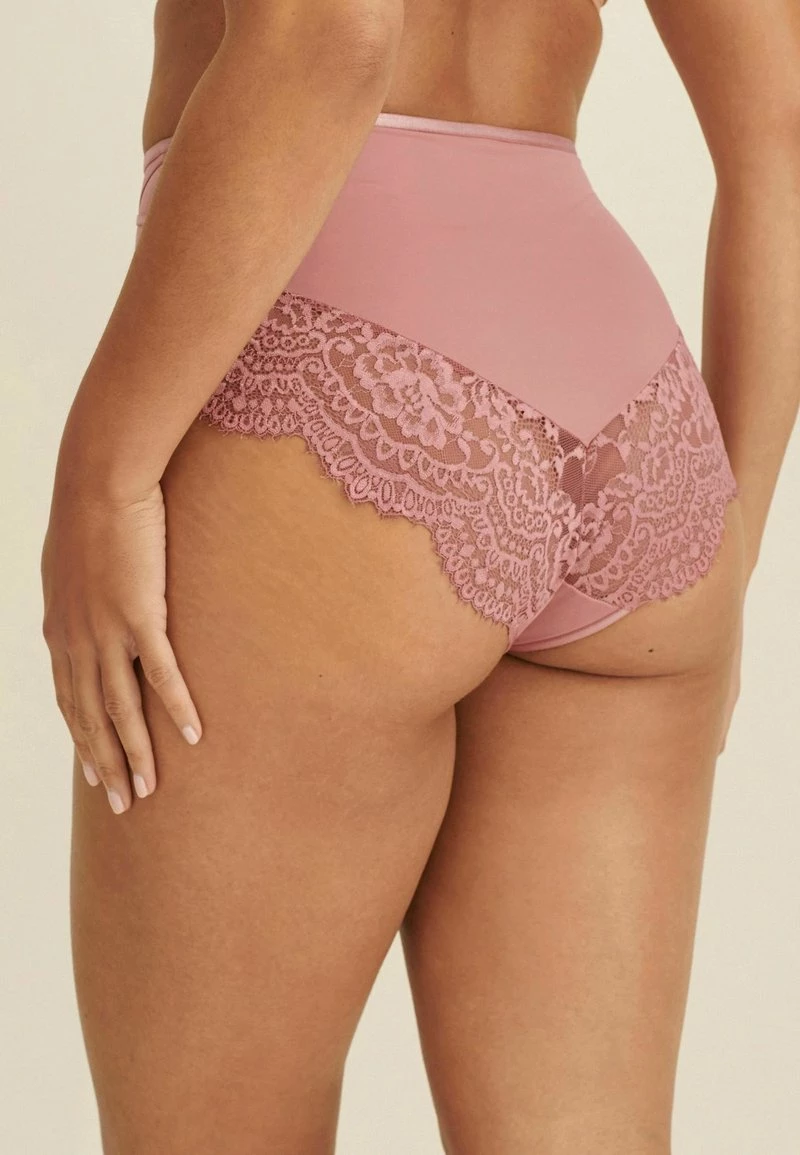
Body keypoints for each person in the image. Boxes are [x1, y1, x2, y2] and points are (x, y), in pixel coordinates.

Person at [40, 0, 799, 1151]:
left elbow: (332, 32)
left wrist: (106, 472)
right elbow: (784, 122)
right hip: (632, 408)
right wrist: (719, 555)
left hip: (338, 338)